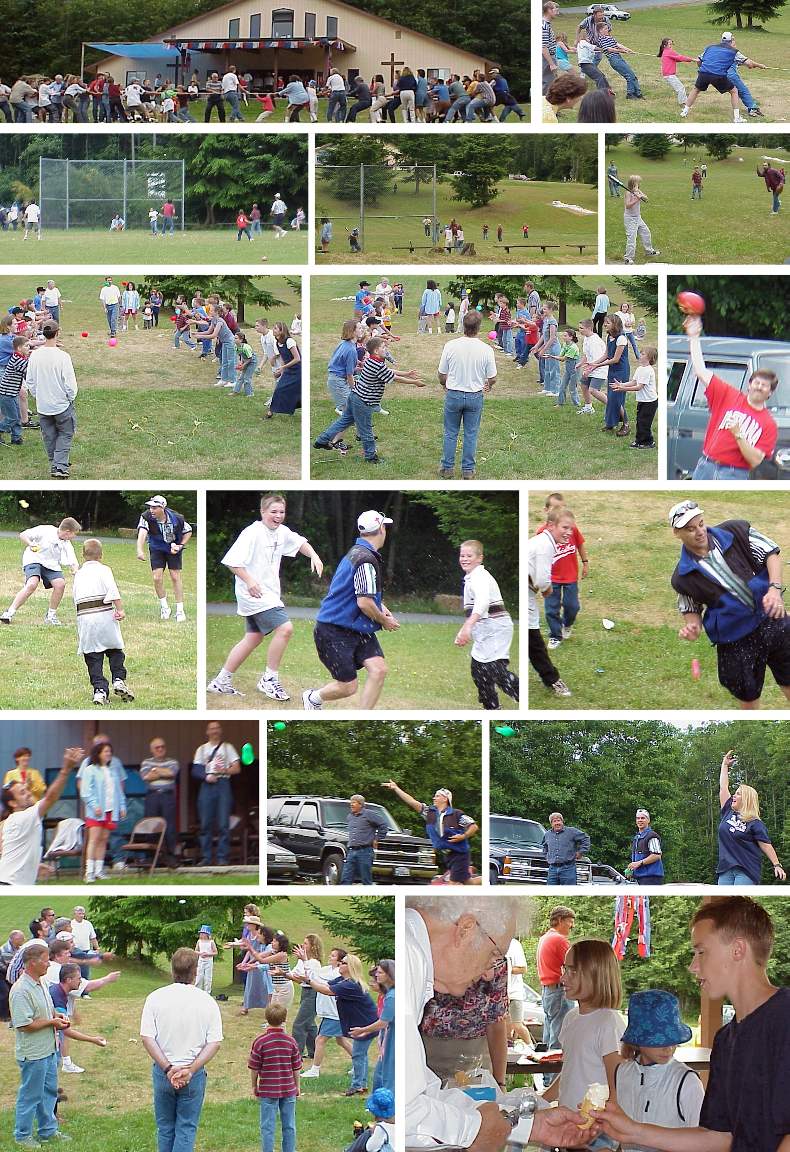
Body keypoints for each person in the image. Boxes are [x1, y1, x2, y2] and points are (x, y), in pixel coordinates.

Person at [597, 897, 790, 1152]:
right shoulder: (724, 1039)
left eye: (701, 952)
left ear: (738, 950)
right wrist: (634, 1130)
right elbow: (719, 1137)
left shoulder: (784, 1017)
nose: (693, 966)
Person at [406, 896, 594, 1149]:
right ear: (466, 929)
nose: (490, 973)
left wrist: (529, 1125)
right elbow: (406, 1112)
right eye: (494, 954)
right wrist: (480, 1129)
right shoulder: (409, 960)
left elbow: (423, 1092)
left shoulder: (415, 956)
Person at [669, 499, 790, 708]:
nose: (699, 532)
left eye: (700, 524)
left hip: (773, 619)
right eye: (690, 529)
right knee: (748, 697)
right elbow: (691, 610)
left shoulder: (736, 531)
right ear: (676, 534)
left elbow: (771, 554)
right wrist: (693, 628)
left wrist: (774, 590)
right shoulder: (682, 577)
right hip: (736, 640)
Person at [207, 493, 323, 699]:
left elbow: (300, 542)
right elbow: (232, 561)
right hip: (254, 594)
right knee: (285, 629)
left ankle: (221, 681)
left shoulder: (282, 532)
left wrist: (314, 554)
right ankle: (269, 679)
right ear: (263, 512)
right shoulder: (252, 533)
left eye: (281, 512)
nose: (278, 516)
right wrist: (250, 581)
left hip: (268, 593)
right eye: (273, 512)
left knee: (253, 637)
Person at [302, 511, 399, 711]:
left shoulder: (360, 553)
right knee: (348, 687)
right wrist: (383, 620)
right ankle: (313, 698)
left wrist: (382, 607)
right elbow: (364, 603)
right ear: (381, 529)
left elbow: (360, 594)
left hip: (356, 627)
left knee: (379, 670)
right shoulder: (364, 559)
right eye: (385, 527)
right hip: (334, 630)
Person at [540, 936, 624, 1152]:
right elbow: (571, 1069)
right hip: (569, 1125)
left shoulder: (608, 1021)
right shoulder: (571, 1017)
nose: (563, 977)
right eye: (564, 969)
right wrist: (542, 1099)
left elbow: (618, 1084)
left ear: (595, 974)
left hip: (596, 1132)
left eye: (572, 971)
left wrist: (602, 1123)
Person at [140, 948, 223, 1152]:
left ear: (172, 970)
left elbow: (147, 1037)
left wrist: (168, 1068)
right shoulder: (207, 1001)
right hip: (191, 1073)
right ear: (195, 972)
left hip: (163, 1071)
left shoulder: (155, 998)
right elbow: (214, 1042)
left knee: (165, 1127)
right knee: (186, 1127)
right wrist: (191, 1069)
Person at [683, 312, 778, 478]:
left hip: (734, 474)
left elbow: (755, 460)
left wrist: (738, 434)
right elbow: (701, 371)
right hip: (706, 465)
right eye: (756, 382)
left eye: (764, 385)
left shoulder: (768, 424)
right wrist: (694, 337)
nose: (759, 387)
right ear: (749, 385)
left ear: (770, 393)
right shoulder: (728, 395)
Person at [614, 990, 705, 1150]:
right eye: (659, 1040)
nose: (669, 1047)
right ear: (637, 1040)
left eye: (673, 1039)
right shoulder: (622, 1073)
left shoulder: (686, 1081)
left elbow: (703, 1141)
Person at [10, 941, 71, 1146]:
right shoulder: (20, 990)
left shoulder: (42, 983)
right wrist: (52, 1022)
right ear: (33, 963)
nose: (49, 964)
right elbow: (23, 1025)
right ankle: (22, 1135)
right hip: (33, 1053)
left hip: (49, 1049)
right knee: (30, 1095)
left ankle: (48, 1130)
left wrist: (58, 1018)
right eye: (46, 961)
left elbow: (49, 1009)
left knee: (49, 1093)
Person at [0, 746, 84, 885]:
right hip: (11, 885)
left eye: (26, 789)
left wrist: (34, 865)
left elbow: (9, 852)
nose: (28, 793)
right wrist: (66, 769)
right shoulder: (24, 817)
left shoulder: (10, 821)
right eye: (22, 792)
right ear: (13, 803)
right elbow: (50, 797)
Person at [453, 539, 519, 709]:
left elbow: (482, 603)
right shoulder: (472, 577)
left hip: (496, 630)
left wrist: (468, 626)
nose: (464, 559)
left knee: (496, 673)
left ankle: (522, 696)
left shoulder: (479, 577)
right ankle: (492, 708)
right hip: (485, 631)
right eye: (462, 555)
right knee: (478, 671)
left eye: (469, 555)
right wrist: (464, 629)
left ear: (479, 558)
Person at [304, 954, 378, 1096]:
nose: (339, 965)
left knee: (357, 1055)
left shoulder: (351, 985)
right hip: (363, 1023)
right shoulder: (344, 980)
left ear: (349, 967)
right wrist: (306, 977)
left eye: (343, 963)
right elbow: (325, 984)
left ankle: (357, 1086)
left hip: (366, 1025)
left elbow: (327, 991)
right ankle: (361, 1084)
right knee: (360, 1055)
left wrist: (308, 980)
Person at [72, 538, 134, 707]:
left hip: (85, 618)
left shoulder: (78, 574)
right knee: (114, 650)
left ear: (83, 555)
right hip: (104, 614)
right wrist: (120, 609)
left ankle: (99, 690)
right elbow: (112, 590)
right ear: (101, 555)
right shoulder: (105, 570)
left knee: (92, 656)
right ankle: (118, 679)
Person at [437, 310, 496, 481]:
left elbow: (442, 373)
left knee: (450, 432)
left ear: (463, 325)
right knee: (471, 433)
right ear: (479, 327)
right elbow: (492, 377)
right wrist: (489, 385)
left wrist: (444, 384)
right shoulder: (486, 349)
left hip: (454, 394)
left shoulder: (451, 345)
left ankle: (447, 468)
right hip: (474, 396)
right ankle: (468, 471)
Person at [382, 782, 478, 885]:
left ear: (445, 799)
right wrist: (396, 788)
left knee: (452, 884)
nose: (434, 798)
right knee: (468, 882)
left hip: (460, 854)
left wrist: (463, 836)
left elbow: (473, 826)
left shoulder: (456, 814)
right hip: (448, 855)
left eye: (437, 796)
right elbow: (411, 801)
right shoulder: (429, 813)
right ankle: (485, 881)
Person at [716, 749, 785, 885]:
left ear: (747, 799)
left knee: (739, 902)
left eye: (738, 794)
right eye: (735, 793)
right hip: (725, 869)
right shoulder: (728, 811)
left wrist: (777, 865)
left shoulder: (755, 823)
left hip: (746, 870)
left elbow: (766, 845)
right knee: (723, 903)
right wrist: (724, 766)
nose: (734, 796)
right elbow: (723, 788)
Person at [528, 508, 574, 697]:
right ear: (550, 526)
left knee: (531, 641)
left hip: (526, 593)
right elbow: (542, 579)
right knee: (534, 642)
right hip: (525, 594)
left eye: (571, 529)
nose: (568, 533)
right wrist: (547, 591)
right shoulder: (545, 545)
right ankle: (554, 680)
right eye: (564, 527)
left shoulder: (544, 542)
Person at [0, 518, 80, 626]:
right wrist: (30, 544)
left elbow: (73, 561)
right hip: (34, 560)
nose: (74, 537)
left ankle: (50, 616)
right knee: (32, 584)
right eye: (74, 534)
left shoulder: (66, 543)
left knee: (60, 584)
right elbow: (23, 534)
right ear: (67, 532)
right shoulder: (45, 530)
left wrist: (75, 570)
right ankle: (9, 613)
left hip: (51, 565)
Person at [25, 321, 78, 478]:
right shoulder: (62, 357)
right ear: (58, 333)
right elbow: (70, 384)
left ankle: (56, 461)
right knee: (65, 433)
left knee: (49, 435)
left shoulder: (35, 356)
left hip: (43, 405)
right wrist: (70, 398)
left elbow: (30, 381)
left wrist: (37, 395)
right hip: (60, 404)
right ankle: (59, 466)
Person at [249, 1002, 301, 1152]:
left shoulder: (260, 1042)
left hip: (267, 1090)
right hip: (288, 1088)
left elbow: (254, 1067)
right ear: (285, 1019)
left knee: (267, 1126)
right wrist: (297, 1086)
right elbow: (296, 1067)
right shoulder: (291, 1041)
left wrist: (254, 1085)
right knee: (289, 1125)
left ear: (266, 1019)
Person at [538, 495, 589, 651]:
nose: (560, 511)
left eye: (563, 507)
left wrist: (585, 562)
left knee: (572, 606)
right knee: (551, 609)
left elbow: (579, 545)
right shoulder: (542, 533)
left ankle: (567, 624)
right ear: (547, 510)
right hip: (551, 578)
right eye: (555, 508)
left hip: (570, 576)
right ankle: (555, 634)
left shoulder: (570, 529)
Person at [680, 32, 763, 123]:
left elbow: (699, 60)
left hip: (704, 73)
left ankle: (684, 112)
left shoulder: (710, 47)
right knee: (734, 91)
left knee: (696, 89)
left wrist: (702, 68)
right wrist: (759, 65)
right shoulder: (734, 51)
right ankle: (737, 118)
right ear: (731, 41)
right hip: (718, 75)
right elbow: (749, 64)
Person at [299, 946, 353, 1078]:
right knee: (341, 1041)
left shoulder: (337, 974)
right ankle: (359, 1063)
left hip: (334, 1014)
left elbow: (318, 979)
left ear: (340, 961)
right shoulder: (327, 970)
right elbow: (314, 974)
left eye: (333, 956)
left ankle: (315, 1070)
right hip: (330, 1012)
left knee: (320, 1039)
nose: (330, 957)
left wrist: (305, 960)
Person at [192, 720, 240, 866]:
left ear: (220, 731)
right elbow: (195, 770)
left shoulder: (228, 747)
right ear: (207, 732)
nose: (214, 731)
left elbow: (237, 768)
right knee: (205, 823)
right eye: (211, 729)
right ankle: (206, 858)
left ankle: (222, 858)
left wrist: (223, 770)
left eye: (217, 728)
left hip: (223, 783)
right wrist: (206, 776)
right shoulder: (201, 749)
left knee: (223, 823)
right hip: (207, 785)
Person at [136, 495, 192, 622]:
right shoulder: (146, 517)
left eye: (155, 507)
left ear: (163, 508)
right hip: (156, 548)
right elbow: (143, 532)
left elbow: (188, 531)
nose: (151, 510)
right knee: (157, 577)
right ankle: (165, 607)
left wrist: (180, 546)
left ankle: (180, 610)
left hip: (173, 548)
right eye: (150, 507)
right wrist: (140, 549)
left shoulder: (177, 518)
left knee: (175, 576)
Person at [536, 905, 576, 1084]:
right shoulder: (559, 940)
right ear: (559, 920)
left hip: (547, 990)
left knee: (549, 1034)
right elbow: (575, 964)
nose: (571, 926)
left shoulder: (545, 938)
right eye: (569, 922)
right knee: (559, 1037)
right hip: (559, 991)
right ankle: (553, 1083)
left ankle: (546, 1078)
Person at [80, 737, 127, 881]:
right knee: (94, 839)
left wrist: (122, 806)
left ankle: (99, 870)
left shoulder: (112, 771)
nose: (108, 754)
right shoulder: (90, 770)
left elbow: (118, 791)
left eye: (110, 751)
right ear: (98, 753)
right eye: (106, 751)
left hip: (110, 810)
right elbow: (86, 791)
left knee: (104, 839)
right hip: (96, 811)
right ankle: (89, 872)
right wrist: (94, 805)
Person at [351, 960, 394, 1095]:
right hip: (386, 1039)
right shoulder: (388, 995)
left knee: (385, 1076)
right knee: (381, 1073)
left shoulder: (392, 996)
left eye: (380, 973)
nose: (376, 976)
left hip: (391, 1041)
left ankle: (384, 1107)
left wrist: (362, 1030)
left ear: (389, 974)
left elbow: (384, 1022)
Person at [139, 737, 181, 865]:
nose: (160, 749)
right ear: (152, 750)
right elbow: (146, 777)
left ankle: (171, 856)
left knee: (169, 826)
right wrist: (163, 772)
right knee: (151, 825)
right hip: (152, 796)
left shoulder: (173, 761)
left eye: (162, 747)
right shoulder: (146, 762)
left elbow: (172, 773)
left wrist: (155, 771)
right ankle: (151, 857)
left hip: (168, 796)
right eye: (157, 748)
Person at [610, 345, 658, 449]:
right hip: (643, 401)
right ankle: (639, 440)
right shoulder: (640, 369)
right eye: (640, 353)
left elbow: (639, 387)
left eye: (643, 354)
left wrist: (623, 389)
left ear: (650, 358)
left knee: (644, 423)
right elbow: (634, 382)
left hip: (650, 402)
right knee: (640, 421)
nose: (640, 355)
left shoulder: (647, 370)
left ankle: (648, 442)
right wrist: (621, 385)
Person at [340, 795, 389, 886]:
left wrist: (377, 838)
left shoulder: (369, 814)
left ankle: (368, 896)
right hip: (351, 851)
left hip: (365, 851)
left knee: (366, 879)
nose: (351, 805)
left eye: (354, 803)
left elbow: (383, 825)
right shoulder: (350, 816)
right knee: (345, 877)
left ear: (360, 804)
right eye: (351, 803)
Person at [289, 935, 323, 1059]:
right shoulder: (302, 961)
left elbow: (308, 978)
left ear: (313, 947)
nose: (303, 946)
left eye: (306, 944)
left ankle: (296, 1053)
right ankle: (314, 1050)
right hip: (305, 991)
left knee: (299, 1024)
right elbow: (296, 976)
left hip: (312, 993)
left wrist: (303, 962)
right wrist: (284, 973)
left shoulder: (314, 963)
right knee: (309, 1024)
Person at [541, 811, 591, 884]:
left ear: (562, 821)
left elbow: (585, 838)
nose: (557, 823)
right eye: (554, 821)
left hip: (568, 868)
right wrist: (547, 857)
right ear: (551, 824)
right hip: (552, 869)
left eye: (559, 820)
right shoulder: (547, 835)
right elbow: (544, 847)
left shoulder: (571, 831)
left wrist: (581, 852)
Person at [622, 176, 660, 265]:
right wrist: (636, 199)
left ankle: (649, 251)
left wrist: (641, 195)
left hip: (638, 217)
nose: (638, 185)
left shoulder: (638, 191)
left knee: (646, 233)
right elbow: (627, 205)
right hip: (630, 219)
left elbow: (646, 199)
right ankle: (628, 258)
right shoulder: (628, 193)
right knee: (632, 238)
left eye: (639, 183)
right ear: (632, 184)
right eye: (637, 183)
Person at [625, 808, 665, 885]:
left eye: (643, 818)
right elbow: (636, 861)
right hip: (640, 878)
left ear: (648, 820)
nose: (640, 820)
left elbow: (657, 855)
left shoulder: (652, 836)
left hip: (651, 878)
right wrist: (631, 869)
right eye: (638, 818)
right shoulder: (637, 837)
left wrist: (639, 863)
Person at [658, 39, 695, 106]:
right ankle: (684, 104)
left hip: (668, 74)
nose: (671, 46)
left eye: (671, 44)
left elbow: (677, 59)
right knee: (681, 88)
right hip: (669, 75)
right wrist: (692, 59)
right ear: (664, 45)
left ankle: (684, 103)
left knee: (680, 88)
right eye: (669, 44)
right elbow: (680, 57)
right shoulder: (669, 51)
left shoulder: (666, 51)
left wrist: (689, 60)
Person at [194, 927, 217, 994]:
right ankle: (197, 992)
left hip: (209, 961)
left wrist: (208, 954)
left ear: (207, 934)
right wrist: (200, 953)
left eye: (203, 933)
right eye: (201, 933)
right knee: (199, 977)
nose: (201, 934)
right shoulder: (199, 941)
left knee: (208, 978)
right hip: (201, 960)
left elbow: (215, 952)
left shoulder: (211, 942)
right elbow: (196, 951)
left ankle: (207, 993)